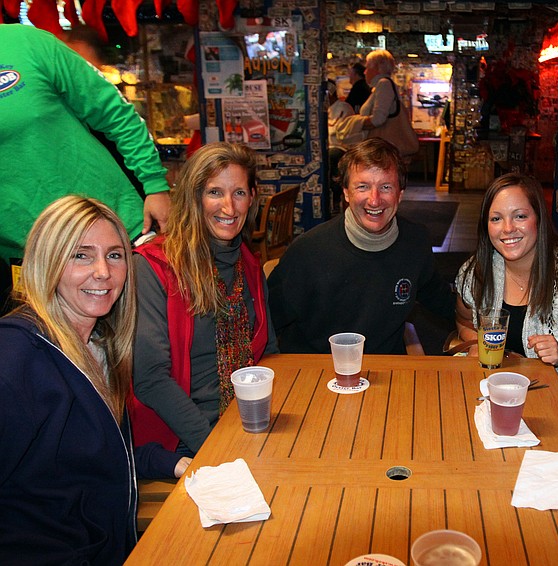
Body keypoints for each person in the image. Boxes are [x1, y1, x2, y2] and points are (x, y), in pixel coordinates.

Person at [0, 196, 188, 565]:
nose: (103, 272)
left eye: (114, 255)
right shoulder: (16, 357)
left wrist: (170, 463)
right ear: (47, 261)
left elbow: (84, 455)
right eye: (81, 255)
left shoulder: (99, 345)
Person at [130, 142, 278, 456]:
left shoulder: (248, 264)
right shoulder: (155, 267)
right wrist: (217, 448)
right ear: (193, 197)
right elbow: (151, 379)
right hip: (186, 440)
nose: (229, 207)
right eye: (214, 192)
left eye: (239, 193)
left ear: (252, 198)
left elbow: (270, 352)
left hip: (248, 422)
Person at [0, 24, 170, 263]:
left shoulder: (24, 43)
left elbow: (113, 111)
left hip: (115, 228)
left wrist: (154, 185)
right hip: (32, 257)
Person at [268, 138, 454, 354]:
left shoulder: (415, 242)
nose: (374, 200)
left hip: (385, 367)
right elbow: (266, 322)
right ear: (346, 193)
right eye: (363, 187)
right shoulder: (307, 252)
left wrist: (479, 327)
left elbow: (443, 302)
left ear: (400, 195)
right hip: (317, 366)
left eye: (385, 187)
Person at [455, 173, 558, 382]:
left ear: (539, 218)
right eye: (496, 219)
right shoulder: (476, 273)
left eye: (520, 216)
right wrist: (475, 343)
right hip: (493, 389)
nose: (508, 228)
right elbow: (464, 320)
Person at [327, 78, 354, 215]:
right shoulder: (324, 109)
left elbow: (341, 133)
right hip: (328, 148)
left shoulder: (343, 108)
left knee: (332, 156)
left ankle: (336, 197)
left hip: (342, 147)